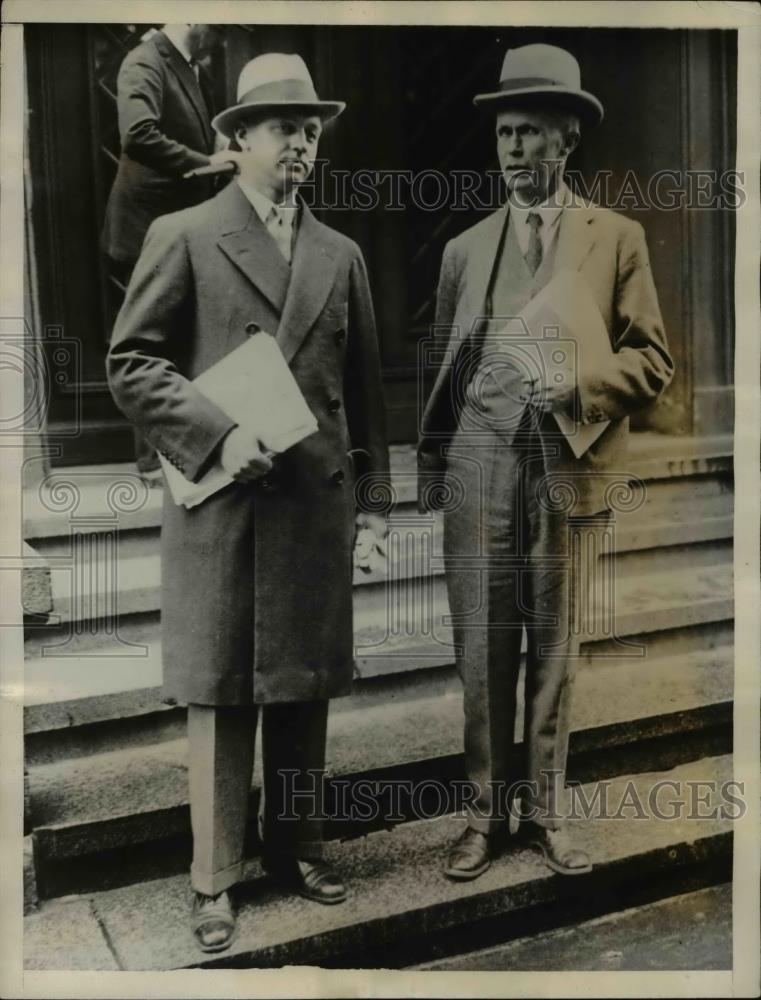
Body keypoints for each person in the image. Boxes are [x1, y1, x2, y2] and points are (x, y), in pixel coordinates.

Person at [107, 53, 389, 953]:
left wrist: (375, 509)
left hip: (311, 505)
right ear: (233, 141)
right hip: (223, 504)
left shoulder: (340, 255)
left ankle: (295, 850)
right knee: (224, 693)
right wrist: (219, 433)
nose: (302, 142)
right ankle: (214, 877)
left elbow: (365, 395)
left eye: (311, 128)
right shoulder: (185, 233)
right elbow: (132, 362)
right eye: (283, 127)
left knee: (304, 688)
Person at [418, 44, 674, 881]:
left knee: (555, 650)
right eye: (505, 134)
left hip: (566, 464)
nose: (515, 151)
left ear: (568, 141)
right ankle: (485, 818)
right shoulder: (464, 249)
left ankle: (550, 813)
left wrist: (577, 380)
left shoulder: (616, 237)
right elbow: (444, 370)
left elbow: (652, 362)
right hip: (482, 462)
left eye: (532, 133)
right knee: (483, 648)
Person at [101, 23, 225, 476]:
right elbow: (138, 134)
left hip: (177, 227)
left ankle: (175, 454)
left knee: (177, 337)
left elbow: (186, 131)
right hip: (145, 232)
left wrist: (217, 148)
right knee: (151, 344)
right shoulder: (145, 60)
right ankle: (152, 465)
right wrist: (207, 163)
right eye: (222, 25)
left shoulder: (190, 68)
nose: (225, 37)